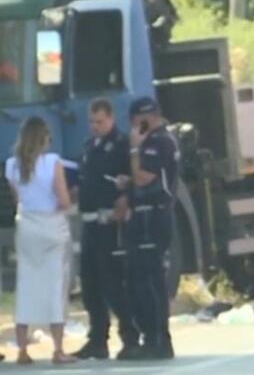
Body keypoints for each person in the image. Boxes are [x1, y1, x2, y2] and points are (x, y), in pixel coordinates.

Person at [3, 117, 76, 365]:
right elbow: (64, 201)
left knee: (27, 284)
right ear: (43, 138)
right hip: (51, 226)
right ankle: (58, 349)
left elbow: (17, 198)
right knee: (55, 285)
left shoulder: (12, 166)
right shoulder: (53, 163)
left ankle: (22, 350)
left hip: (27, 227)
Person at [72, 99, 141, 361]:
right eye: (91, 122)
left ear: (111, 119)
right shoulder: (90, 147)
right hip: (90, 222)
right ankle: (97, 340)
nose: (95, 126)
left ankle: (130, 337)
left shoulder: (122, 145)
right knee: (90, 285)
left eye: (99, 121)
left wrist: (125, 198)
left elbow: (129, 179)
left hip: (110, 223)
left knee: (113, 283)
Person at [116, 96, 178, 361]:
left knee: (151, 280)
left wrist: (133, 150)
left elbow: (143, 177)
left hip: (155, 215)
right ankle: (148, 336)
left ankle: (160, 339)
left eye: (137, 120)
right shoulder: (149, 142)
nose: (134, 126)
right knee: (136, 279)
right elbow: (136, 180)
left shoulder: (159, 142)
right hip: (140, 217)